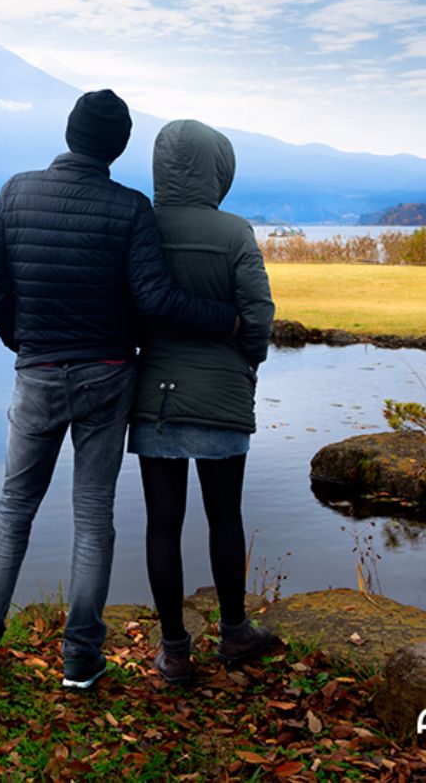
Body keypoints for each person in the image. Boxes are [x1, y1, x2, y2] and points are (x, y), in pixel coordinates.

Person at [0, 90, 240, 690]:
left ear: (69, 133)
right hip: (108, 375)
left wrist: (23, 341)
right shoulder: (130, 208)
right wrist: (228, 321)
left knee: (14, 506)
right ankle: (81, 655)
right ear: (119, 146)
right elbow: (156, 301)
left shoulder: (16, 191)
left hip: (38, 374)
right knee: (93, 517)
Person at [128, 119, 276, 684]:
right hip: (222, 391)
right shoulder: (234, 232)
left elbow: (130, 306)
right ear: (218, 168)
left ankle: (174, 649)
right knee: (225, 516)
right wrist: (245, 362)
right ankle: (234, 631)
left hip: (155, 395)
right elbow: (258, 314)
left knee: (162, 524)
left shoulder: (142, 226)